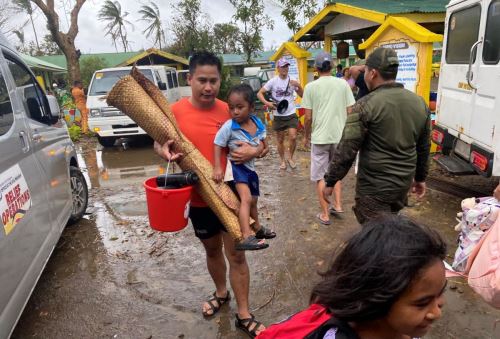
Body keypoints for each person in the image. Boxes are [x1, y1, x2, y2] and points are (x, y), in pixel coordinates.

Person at [154, 51, 275, 337]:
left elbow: (263, 144)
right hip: (196, 197)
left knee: (237, 254)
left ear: (221, 80)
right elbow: (159, 144)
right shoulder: (174, 112)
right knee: (211, 249)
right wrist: (163, 150)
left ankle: (243, 314)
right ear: (189, 79)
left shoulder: (231, 108)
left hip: (230, 196)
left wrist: (255, 150)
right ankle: (221, 293)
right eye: (202, 80)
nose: (208, 87)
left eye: (214, 81)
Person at [257, 215, 447, 339]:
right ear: (377, 300)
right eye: (422, 303)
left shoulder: (398, 329)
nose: (437, 312)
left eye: (439, 295)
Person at [323, 47, 431, 224]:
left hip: (374, 189)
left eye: (365, 71)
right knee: (391, 226)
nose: (364, 74)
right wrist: (420, 178)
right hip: (401, 187)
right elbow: (424, 147)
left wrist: (330, 182)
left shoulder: (365, 105)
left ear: (372, 73)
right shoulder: (419, 103)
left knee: (374, 237)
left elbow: (346, 150)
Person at [213, 84, 270, 251]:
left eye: (240, 107)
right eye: (231, 108)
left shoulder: (257, 122)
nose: (235, 112)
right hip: (237, 168)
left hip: (251, 169)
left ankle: (257, 228)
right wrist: (217, 167)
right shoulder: (229, 126)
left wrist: (262, 149)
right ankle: (246, 235)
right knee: (245, 199)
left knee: (253, 200)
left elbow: (264, 143)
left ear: (251, 108)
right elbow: (217, 144)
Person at [302, 52, 355, 226]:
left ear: (316, 69)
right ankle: (338, 205)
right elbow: (350, 112)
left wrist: (306, 135)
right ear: (332, 67)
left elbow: (308, 118)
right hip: (339, 137)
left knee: (320, 177)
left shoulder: (310, 87)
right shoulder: (343, 84)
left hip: (320, 138)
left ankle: (325, 214)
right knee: (336, 172)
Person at [257, 58, 303, 170]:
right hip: (278, 114)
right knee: (280, 139)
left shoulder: (293, 80)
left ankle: (290, 158)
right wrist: (267, 103)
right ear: (278, 68)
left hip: (291, 112)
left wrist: (299, 86)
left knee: (293, 136)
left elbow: (302, 95)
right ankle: (282, 160)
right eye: (282, 66)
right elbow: (259, 94)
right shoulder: (273, 81)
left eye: (286, 66)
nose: (285, 68)